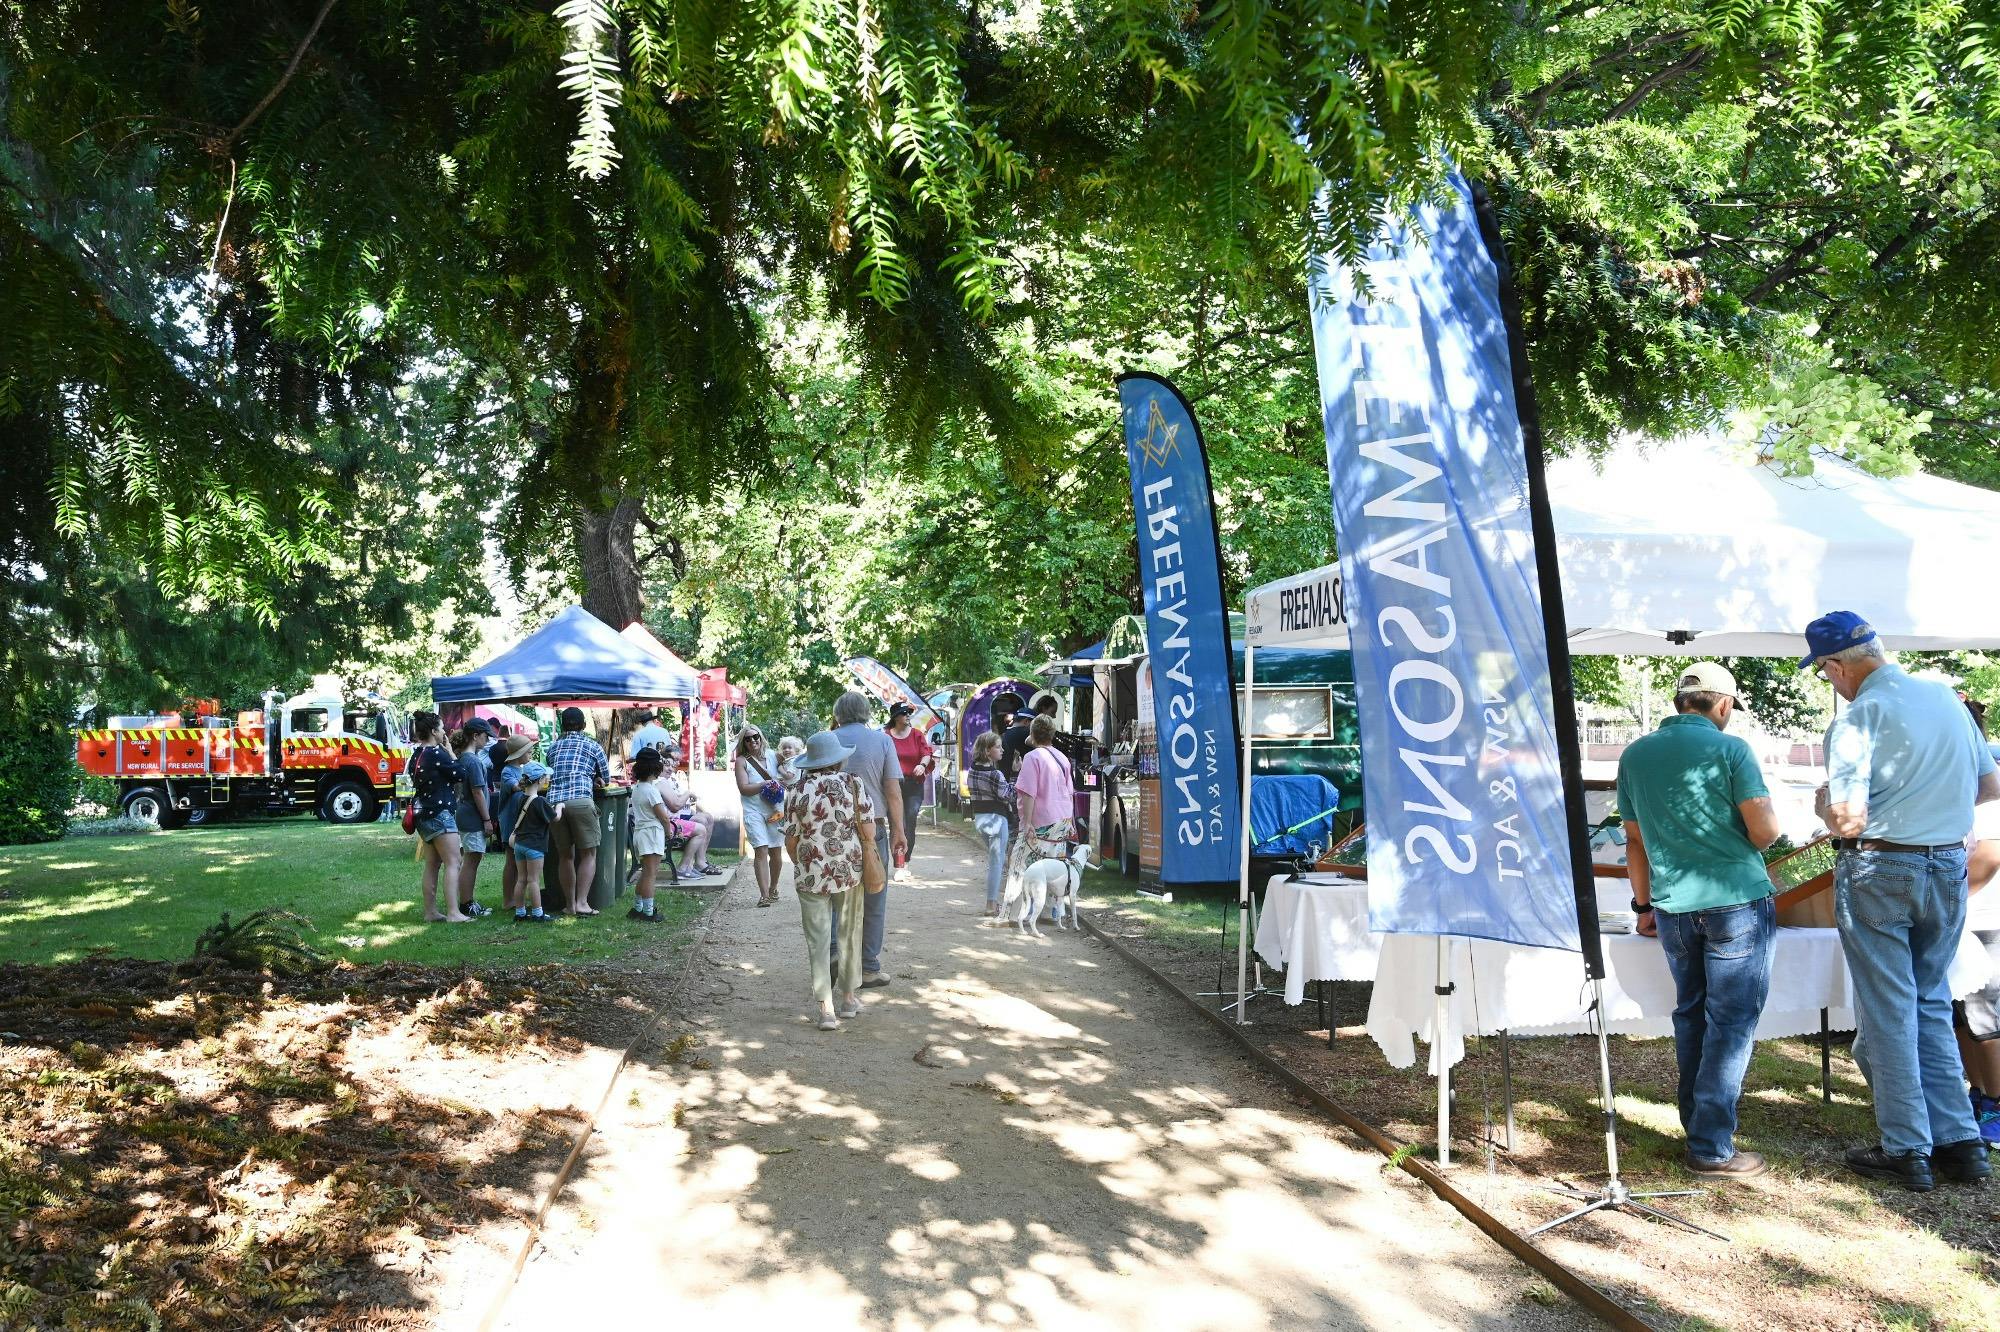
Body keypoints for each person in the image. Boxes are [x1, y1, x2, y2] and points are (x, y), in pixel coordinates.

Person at [1806, 610, 2000, 1190]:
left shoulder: (1858, 719)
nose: (1831, 683)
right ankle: (1961, 1144)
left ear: (1836, 666)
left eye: (1824, 673)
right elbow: (1989, 785)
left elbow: (1845, 818)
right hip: (1944, 863)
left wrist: (1823, 806)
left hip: (1880, 865)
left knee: (1890, 1009)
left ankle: (1907, 1147)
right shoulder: (1946, 701)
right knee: (1931, 1003)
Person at [1617, 662, 1783, 1177]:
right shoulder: (1731, 749)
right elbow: (1765, 832)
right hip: (1735, 899)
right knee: (1730, 1023)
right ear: (1724, 705)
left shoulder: (1635, 754)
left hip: (1671, 907)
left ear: (1677, 702)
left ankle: (1698, 1129)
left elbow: (1635, 840)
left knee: (1691, 1013)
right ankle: (1711, 1147)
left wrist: (1642, 907)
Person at [784, 731, 873, 1030]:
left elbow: (791, 840)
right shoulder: (853, 784)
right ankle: (848, 998)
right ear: (837, 759)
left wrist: (804, 863)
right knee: (849, 932)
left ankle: (826, 1010)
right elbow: (869, 832)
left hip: (811, 871)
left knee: (817, 940)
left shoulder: (796, 790)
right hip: (848, 868)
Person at [830, 690, 906, 989]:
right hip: (872, 829)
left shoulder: (827, 739)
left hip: (834, 829)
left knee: (837, 893)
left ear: (838, 714)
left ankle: (835, 953)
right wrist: (899, 831)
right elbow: (892, 791)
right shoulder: (883, 740)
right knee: (875, 894)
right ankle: (870, 966)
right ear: (867, 712)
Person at [1958, 706, 2000, 1145]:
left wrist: (1947, 903)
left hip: (1987, 923)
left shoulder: (1990, 794)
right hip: (1964, 922)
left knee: (1986, 1022)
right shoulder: (1966, 788)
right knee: (1963, 1019)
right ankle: (1980, 1096)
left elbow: (1987, 859)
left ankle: (1997, 1106)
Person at [1006, 715, 1076, 916]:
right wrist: (1070, 820)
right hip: (1061, 819)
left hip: (1040, 819)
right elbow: (1069, 792)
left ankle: (1020, 909)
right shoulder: (1062, 758)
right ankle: (1056, 909)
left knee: (1022, 863)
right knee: (1055, 865)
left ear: (1033, 733)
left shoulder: (1032, 758)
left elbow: (1029, 793)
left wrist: (1026, 822)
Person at [547, 706, 611, 917]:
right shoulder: (592, 745)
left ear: (562, 725)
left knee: (565, 856)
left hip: (555, 804)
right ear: (584, 725)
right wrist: (595, 779)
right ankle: (582, 903)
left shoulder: (553, 748)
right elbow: (606, 778)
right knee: (589, 854)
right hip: (581, 801)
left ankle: (569, 905)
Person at [406, 711, 469, 924]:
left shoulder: (417, 754)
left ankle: (431, 912)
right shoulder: (437, 753)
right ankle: (453, 912)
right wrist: (451, 752)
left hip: (422, 814)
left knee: (432, 864)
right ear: (433, 731)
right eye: (441, 728)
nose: (444, 732)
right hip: (440, 813)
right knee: (454, 861)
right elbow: (461, 774)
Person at [450, 718, 498, 918]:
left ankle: (466, 901)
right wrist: (487, 820)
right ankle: (466, 903)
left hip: (464, 814)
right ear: (475, 736)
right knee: (472, 859)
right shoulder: (473, 761)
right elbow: (477, 792)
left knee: (470, 858)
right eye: (486, 736)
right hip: (473, 816)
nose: (487, 741)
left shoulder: (462, 758)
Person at [965, 731, 1014, 919]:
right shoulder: (995, 774)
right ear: (987, 751)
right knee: (997, 862)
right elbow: (1008, 795)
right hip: (997, 819)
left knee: (996, 860)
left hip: (980, 819)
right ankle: (991, 904)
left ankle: (992, 902)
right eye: (998, 747)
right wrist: (1016, 775)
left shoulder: (972, 771)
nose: (1002, 750)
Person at [735, 727, 786, 906]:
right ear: (744, 742)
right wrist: (766, 783)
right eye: (748, 739)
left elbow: (790, 766)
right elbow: (744, 788)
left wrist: (786, 777)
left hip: (775, 809)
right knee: (761, 849)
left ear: (761, 737)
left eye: (755, 737)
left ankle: (773, 887)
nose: (753, 741)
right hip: (753, 810)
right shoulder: (742, 761)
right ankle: (764, 895)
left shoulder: (774, 755)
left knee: (776, 852)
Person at [490, 734, 536, 919]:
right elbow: (515, 787)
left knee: (520, 861)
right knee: (511, 860)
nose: (531, 753)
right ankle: (508, 899)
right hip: (510, 821)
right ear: (519, 754)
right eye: (528, 751)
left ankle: (518, 896)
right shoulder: (508, 771)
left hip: (521, 819)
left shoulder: (522, 769)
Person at [659, 739, 719, 879]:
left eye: (677, 760)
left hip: (675, 817)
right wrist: (688, 794)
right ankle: (684, 867)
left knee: (707, 817)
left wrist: (688, 804)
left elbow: (678, 804)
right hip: (669, 822)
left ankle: (700, 862)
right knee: (701, 826)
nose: (675, 764)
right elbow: (675, 805)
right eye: (672, 759)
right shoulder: (661, 779)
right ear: (663, 759)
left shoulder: (671, 777)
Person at [886, 702, 934, 877]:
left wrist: (922, 765)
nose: (908, 715)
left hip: (914, 783)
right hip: (893, 785)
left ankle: (904, 862)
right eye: (904, 713)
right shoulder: (886, 737)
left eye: (909, 713)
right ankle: (898, 864)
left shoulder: (917, 735)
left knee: (910, 820)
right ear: (895, 717)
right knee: (897, 823)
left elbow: (926, 753)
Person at [626, 749, 674, 921]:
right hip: (652, 833)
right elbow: (663, 816)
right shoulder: (652, 791)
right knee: (651, 874)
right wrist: (669, 833)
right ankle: (648, 912)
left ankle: (638, 907)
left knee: (645, 872)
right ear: (656, 768)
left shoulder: (637, 788)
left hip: (640, 832)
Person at [506, 762, 556, 923]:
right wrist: (560, 807)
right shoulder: (540, 801)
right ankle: (537, 913)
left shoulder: (521, 798)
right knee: (534, 880)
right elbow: (555, 818)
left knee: (521, 879)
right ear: (540, 780)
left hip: (519, 844)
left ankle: (520, 912)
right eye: (545, 777)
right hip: (534, 846)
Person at [1000, 691, 1057, 784]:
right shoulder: (1025, 732)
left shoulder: (1005, 734)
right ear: (1026, 722)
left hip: (1007, 780)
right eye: (1035, 724)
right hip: (1022, 782)